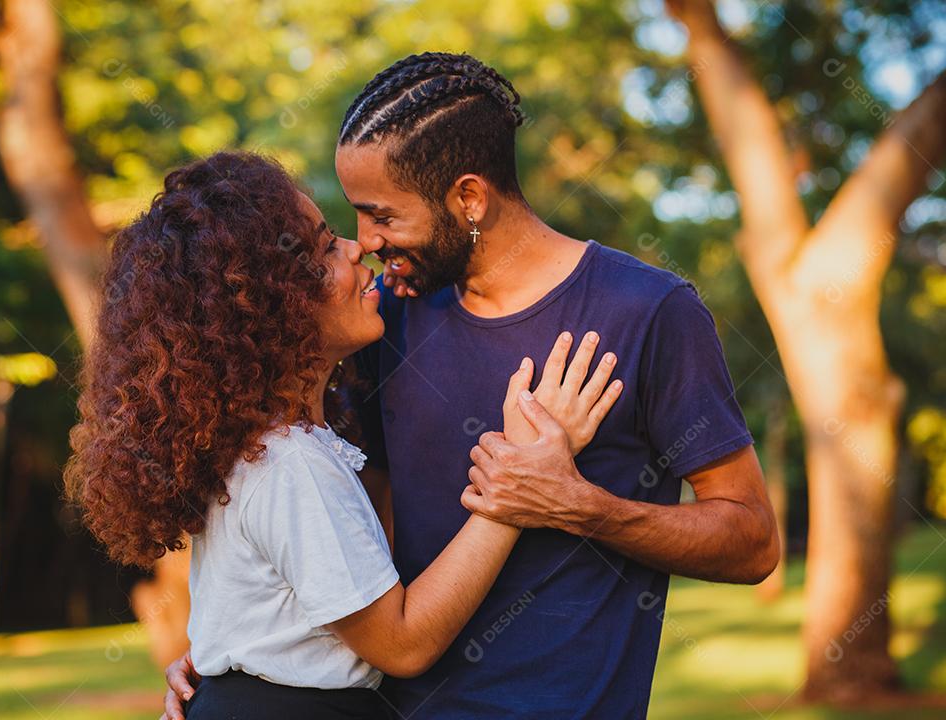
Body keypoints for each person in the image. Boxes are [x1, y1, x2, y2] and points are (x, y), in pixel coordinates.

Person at [164, 52, 780, 719]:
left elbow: (751, 542)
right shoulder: (384, 321)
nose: (365, 242)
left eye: (383, 216)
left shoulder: (648, 313)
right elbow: (339, 527)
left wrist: (581, 505)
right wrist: (244, 658)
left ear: (469, 199)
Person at [64, 151, 623, 719]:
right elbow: (402, 644)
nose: (359, 248)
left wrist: (218, 669)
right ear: (272, 307)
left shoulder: (265, 450)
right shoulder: (289, 465)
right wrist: (513, 487)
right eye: (325, 249)